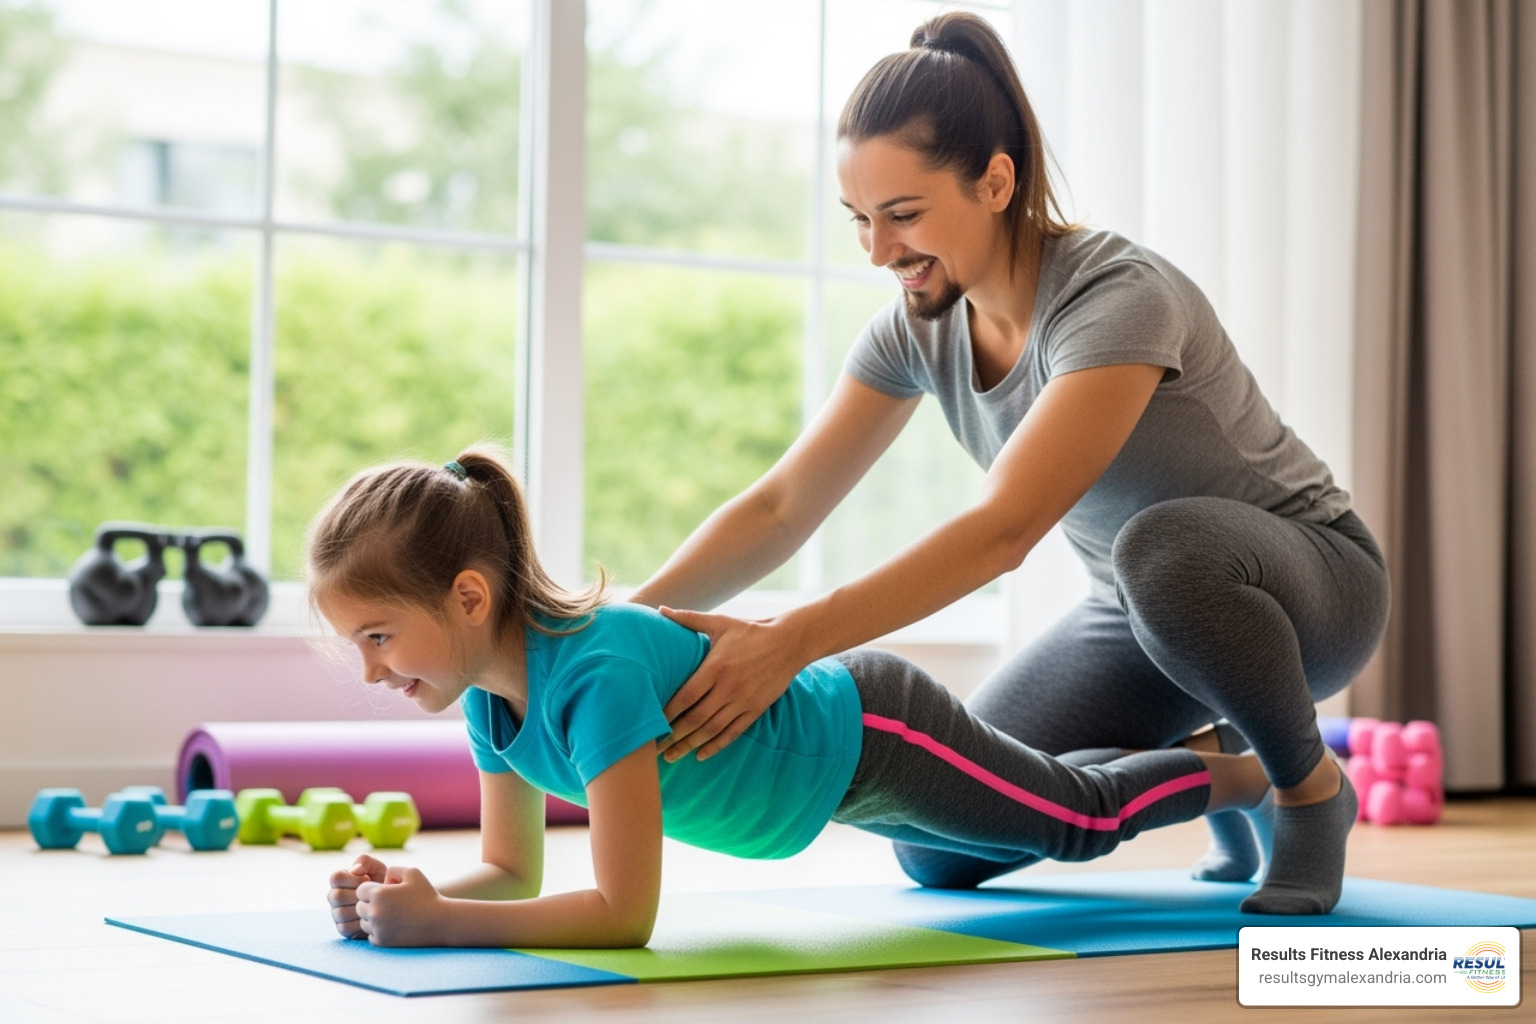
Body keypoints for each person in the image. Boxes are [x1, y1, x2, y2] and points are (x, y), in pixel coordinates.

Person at [629, 11, 1390, 916]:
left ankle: (1310, 792)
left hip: (1314, 591)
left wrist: (790, 642)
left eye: (903, 215)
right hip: (1140, 617)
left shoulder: (1117, 296)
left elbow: (1004, 531)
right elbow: (783, 508)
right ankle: (1229, 772)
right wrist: (618, 623)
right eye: (860, 220)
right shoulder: (916, 330)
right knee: (942, 834)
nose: (878, 251)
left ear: (996, 181)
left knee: (1160, 549)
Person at [309, 449, 1277, 948]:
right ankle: (1201, 745)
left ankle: (1248, 774)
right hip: (832, 784)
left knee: (1078, 820)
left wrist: (445, 924)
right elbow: (511, 870)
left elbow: (622, 911)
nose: (369, 671)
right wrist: (413, 893)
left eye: (378, 636)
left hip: (877, 733)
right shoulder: (488, 700)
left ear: (469, 596)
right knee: (968, 853)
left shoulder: (592, 675)